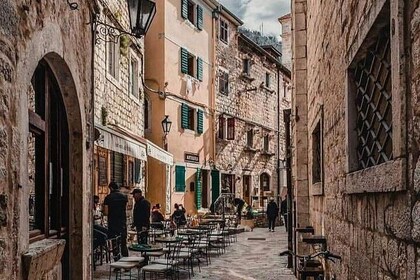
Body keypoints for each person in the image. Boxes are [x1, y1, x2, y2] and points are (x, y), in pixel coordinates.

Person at [103, 182, 128, 258]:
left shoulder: (108, 197)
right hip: (122, 222)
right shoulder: (124, 197)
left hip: (113, 222)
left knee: (115, 242)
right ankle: (126, 261)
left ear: (111, 188)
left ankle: (117, 261)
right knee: (123, 242)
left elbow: (105, 212)